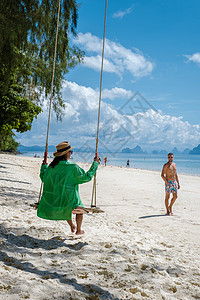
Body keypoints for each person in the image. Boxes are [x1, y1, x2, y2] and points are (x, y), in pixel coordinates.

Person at [37, 141, 100, 235]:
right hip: (68, 202)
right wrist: (95, 164)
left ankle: (72, 226)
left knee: (64, 202)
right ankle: (79, 230)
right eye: (71, 152)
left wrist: (44, 167)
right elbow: (86, 177)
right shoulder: (72, 167)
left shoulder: (52, 167)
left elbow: (43, 177)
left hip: (53, 201)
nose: (71, 154)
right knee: (77, 208)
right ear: (67, 153)